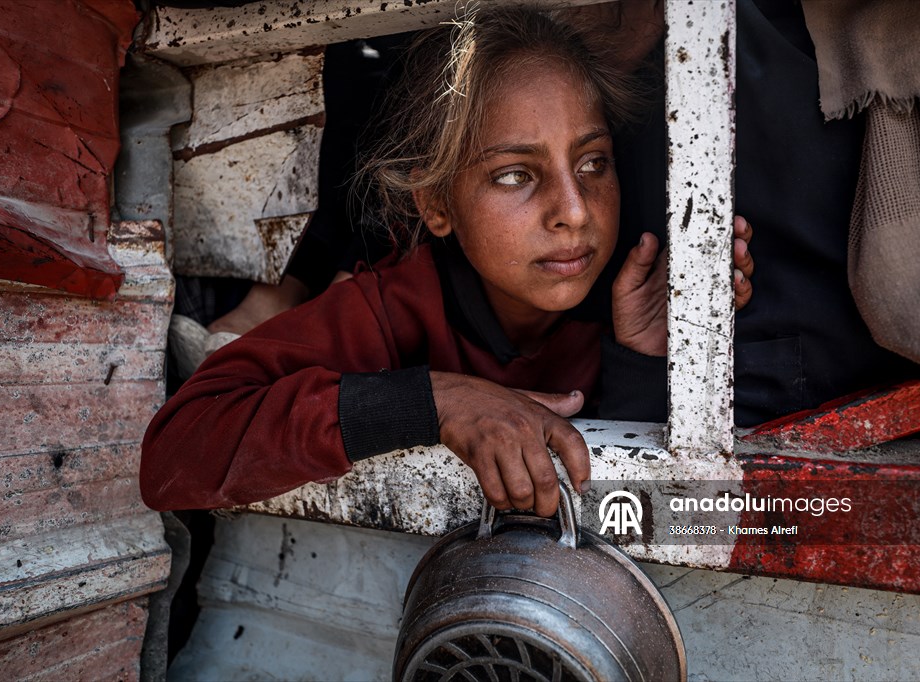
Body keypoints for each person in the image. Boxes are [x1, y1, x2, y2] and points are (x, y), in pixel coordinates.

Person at [142, 6, 679, 518]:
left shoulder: (634, 296)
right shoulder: (393, 303)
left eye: (593, 162)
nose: (575, 211)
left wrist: (644, 360)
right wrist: (435, 401)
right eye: (514, 174)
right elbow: (174, 453)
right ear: (437, 205)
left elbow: (652, 504)